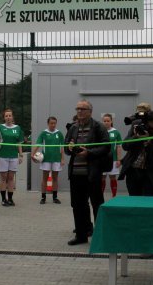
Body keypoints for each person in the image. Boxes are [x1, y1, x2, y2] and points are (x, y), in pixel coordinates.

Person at [64, 99, 110, 246]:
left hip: (92, 174)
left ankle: (100, 235)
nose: (79, 111)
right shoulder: (73, 128)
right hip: (76, 174)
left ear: (90, 111)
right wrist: (69, 147)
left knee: (97, 204)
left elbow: (106, 147)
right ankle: (81, 235)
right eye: (77, 108)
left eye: (82, 109)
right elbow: (65, 148)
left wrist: (88, 152)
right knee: (78, 205)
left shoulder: (98, 127)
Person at [120, 111, 153, 196]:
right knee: (134, 198)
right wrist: (136, 137)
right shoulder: (137, 126)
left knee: (148, 199)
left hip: (149, 172)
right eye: (151, 127)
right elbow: (125, 146)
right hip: (133, 170)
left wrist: (149, 143)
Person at [0, 108, 24, 206]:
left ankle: (10, 199)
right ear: (4, 117)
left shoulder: (17, 128)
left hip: (13, 156)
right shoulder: (0, 127)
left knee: (11, 177)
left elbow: (19, 143)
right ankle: (3, 199)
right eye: (6, 116)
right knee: (3, 177)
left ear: (12, 117)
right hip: (2, 155)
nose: (8, 117)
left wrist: (20, 155)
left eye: (10, 115)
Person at [32, 116, 65, 204]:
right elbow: (38, 144)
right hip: (46, 159)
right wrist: (32, 154)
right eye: (51, 123)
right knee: (44, 178)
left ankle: (55, 197)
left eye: (54, 123)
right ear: (48, 123)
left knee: (55, 178)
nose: (53, 125)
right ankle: (43, 197)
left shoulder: (59, 133)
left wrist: (62, 158)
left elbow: (62, 147)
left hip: (56, 159)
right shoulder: (43, 133)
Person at [101, 113, 122, 198]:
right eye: (104, 121)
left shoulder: (116, 132)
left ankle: (114, 195)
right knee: (102, 178)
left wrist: (119, 159)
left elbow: (119, 147)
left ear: (111, 121)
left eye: (108, 121)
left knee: (112, 177)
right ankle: (100, 196)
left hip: (113, 159)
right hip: (102, 159)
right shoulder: (100, 131)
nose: (106, 122)